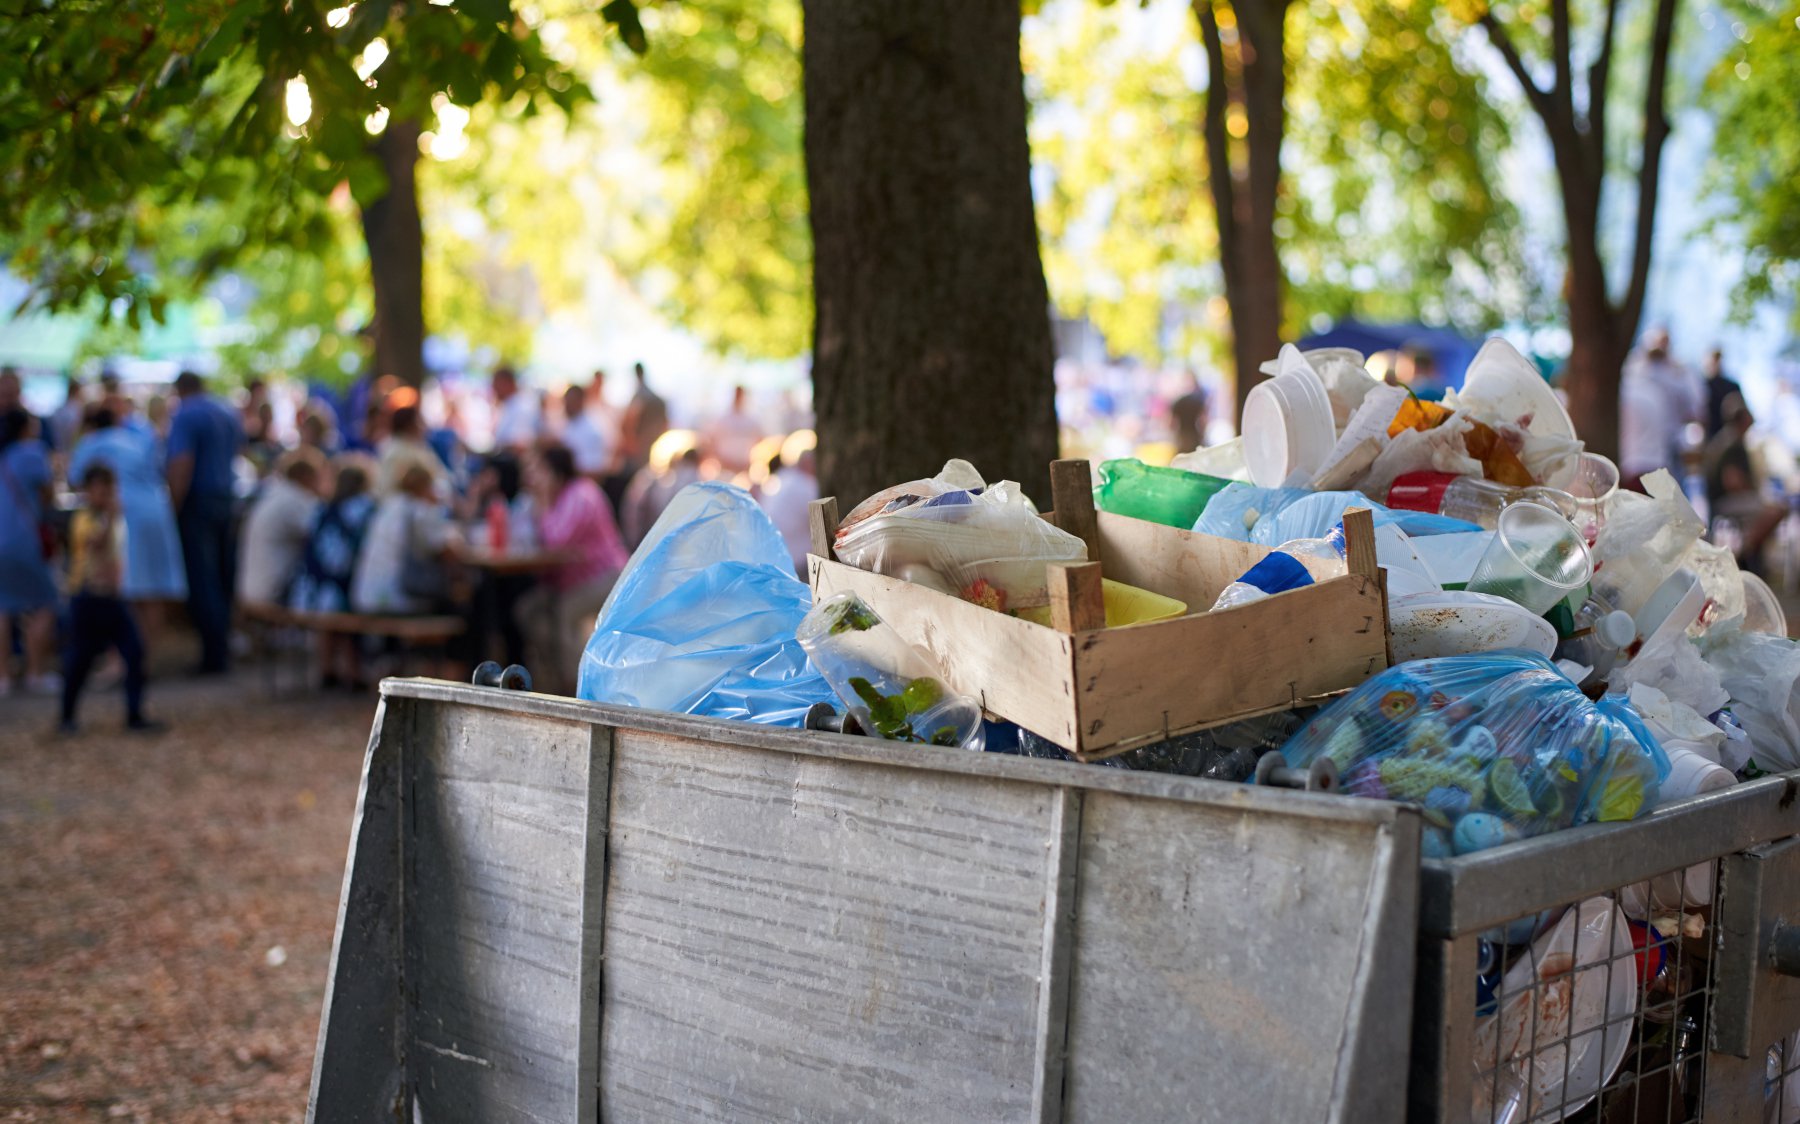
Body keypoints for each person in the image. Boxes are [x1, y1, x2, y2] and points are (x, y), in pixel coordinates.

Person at [514, 443, 629, 687]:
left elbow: (555, 542)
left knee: (565, 612)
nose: (531, 476)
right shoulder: (547, 499)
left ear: (555, 471)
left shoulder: (581, 494)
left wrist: (542, 502)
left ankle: (579, 687)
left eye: (538, 469)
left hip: (605, 576)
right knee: (529, 611)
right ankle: (551, 683)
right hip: (569, 581)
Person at [59, 464, 162, 734]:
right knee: (80, 659)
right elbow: (95, 543)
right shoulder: (85, 518)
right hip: (88, 598)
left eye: (110, 491)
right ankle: (67, 716)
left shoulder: (114, 518)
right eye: (101, 491)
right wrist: (109, 518)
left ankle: (134, 714)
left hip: (113, 598)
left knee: (134, 652)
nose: (107, 497)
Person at [166, 370, 246, 674]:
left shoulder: (186, 414)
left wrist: (174, 505)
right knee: (223, 577)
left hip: (199, 503)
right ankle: (224, 645)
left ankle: (214, 655)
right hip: (226, 499)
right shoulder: (225, 410)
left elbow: (181, 463)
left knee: (203, 579)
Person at [68, 405, 187, 604]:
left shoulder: (92, 442)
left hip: (128, 514)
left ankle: (136, 634)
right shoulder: (137, 439)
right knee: (155, 587)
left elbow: (75, 477)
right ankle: (151, 635)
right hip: (158, 508)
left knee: (131, 589)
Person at [289, 456, 378, 687]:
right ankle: (354, 670)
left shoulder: (321, 508)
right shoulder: (364, 508)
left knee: (332, 607)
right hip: (342, 585)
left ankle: (327, 667)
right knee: (349, 608)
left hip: (311, 588)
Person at [0, 408, 59, 695]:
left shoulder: (5, 454)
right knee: (44, 602)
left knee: (3, 607)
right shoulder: (32, 451)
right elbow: (48, 493)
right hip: (25, 539)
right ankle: (36, 672)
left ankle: (3, 677)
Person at [352, 463, 460, 615]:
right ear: (426, 486)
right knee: (456, 603)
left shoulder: (388, 505)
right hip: (396, 598)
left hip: (365, 596)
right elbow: (447, 550)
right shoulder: (418, 509)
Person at [238, 450, 324, 607]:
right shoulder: (296, 499)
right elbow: (323, 535)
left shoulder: (274, 492)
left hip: (249, 587)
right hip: (271, 592)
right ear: (307, 477)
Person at [374, 404, 449, 498]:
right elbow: (387, 491)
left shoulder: (418, 446)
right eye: (419, 422)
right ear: (409, 425)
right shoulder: (395, 451)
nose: (423, 426)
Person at [703, 385, 764, 475]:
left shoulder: (752, 419)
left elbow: (760, 440)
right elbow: (711, 442)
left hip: (745, 469)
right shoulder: (721, 419)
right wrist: (722, 461)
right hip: (725, 469)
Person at [558, 384, 611, 477]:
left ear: (580, 401)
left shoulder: (592, 430)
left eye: (569, 402)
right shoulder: (570, 423)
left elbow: (595, 469)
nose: (566, 406)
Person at [491, 364, 542, 451]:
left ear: (507, 383)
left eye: (496, 384)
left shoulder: (524, 405)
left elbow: (519, 443)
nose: (494, 389)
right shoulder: (510, 404)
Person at [1702, 348, 1744, 441]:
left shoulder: (1732, 386)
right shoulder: (1701, 386)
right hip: (1709, 437)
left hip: (1733, 434)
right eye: (1713, 358)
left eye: (1718, 358)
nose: (1716, 362)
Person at [1168, 372, 1209, 456]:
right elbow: (1203, 421)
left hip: (1182, 437)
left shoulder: (1178, 402)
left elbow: (1171, 424)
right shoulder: (1198, 401)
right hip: (1194, 436)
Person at [50, 376, 85, 452]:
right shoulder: (77, 410)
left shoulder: (59, 410)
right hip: (70, 450)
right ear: (77, 391)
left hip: (60, 449)